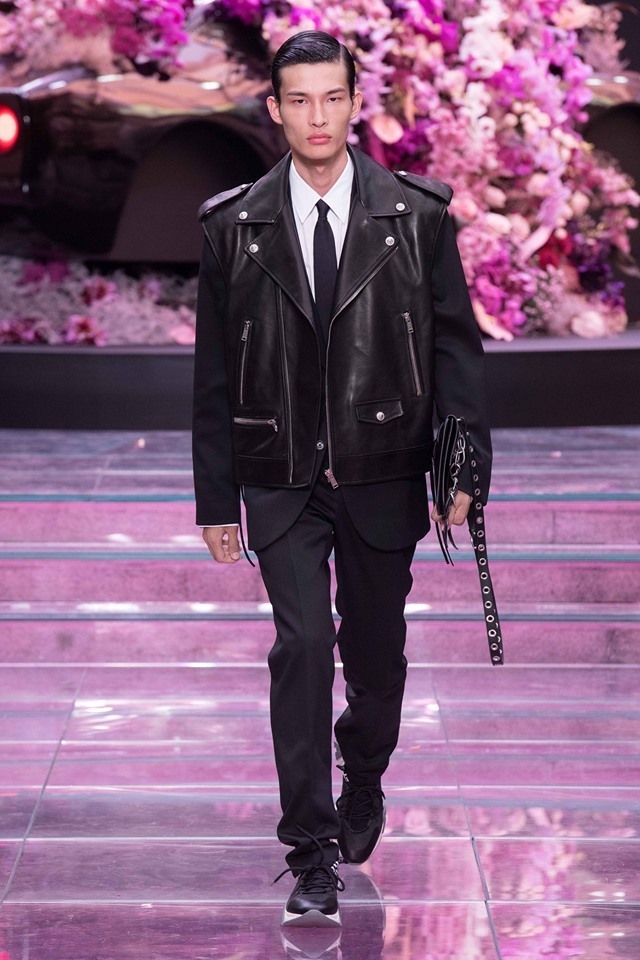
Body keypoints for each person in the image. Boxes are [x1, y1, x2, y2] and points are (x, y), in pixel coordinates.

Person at [192, 30, 492, 928]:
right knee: (300, 648)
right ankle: (311, 852)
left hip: (383, 466)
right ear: (275, 109)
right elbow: (213, 372)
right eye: (300, 100)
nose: (317, 116)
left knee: (374, 654)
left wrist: (466, 462)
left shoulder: (416, 216)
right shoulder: (233, 226)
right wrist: (215, 498)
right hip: (279, 473)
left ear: (355, 103)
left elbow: (455, 348)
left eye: (333, 97)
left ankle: (363, 771)